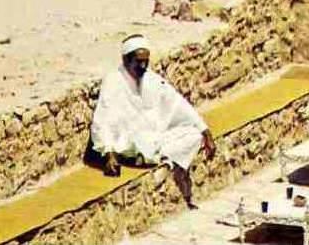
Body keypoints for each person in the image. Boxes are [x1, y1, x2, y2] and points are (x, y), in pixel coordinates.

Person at [90, 35, 216, 208]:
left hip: (154, 139)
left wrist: (205, 132)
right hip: (128, 143)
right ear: (126, 60)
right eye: (138, 61)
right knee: (131, 146)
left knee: (193, 135)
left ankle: (154, 156)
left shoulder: (151, 79)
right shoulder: (113, 82)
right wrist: (108, 153)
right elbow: (102, 120)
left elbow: (177, 103)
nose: (143, 66)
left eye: (146, 62)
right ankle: (148, 156)